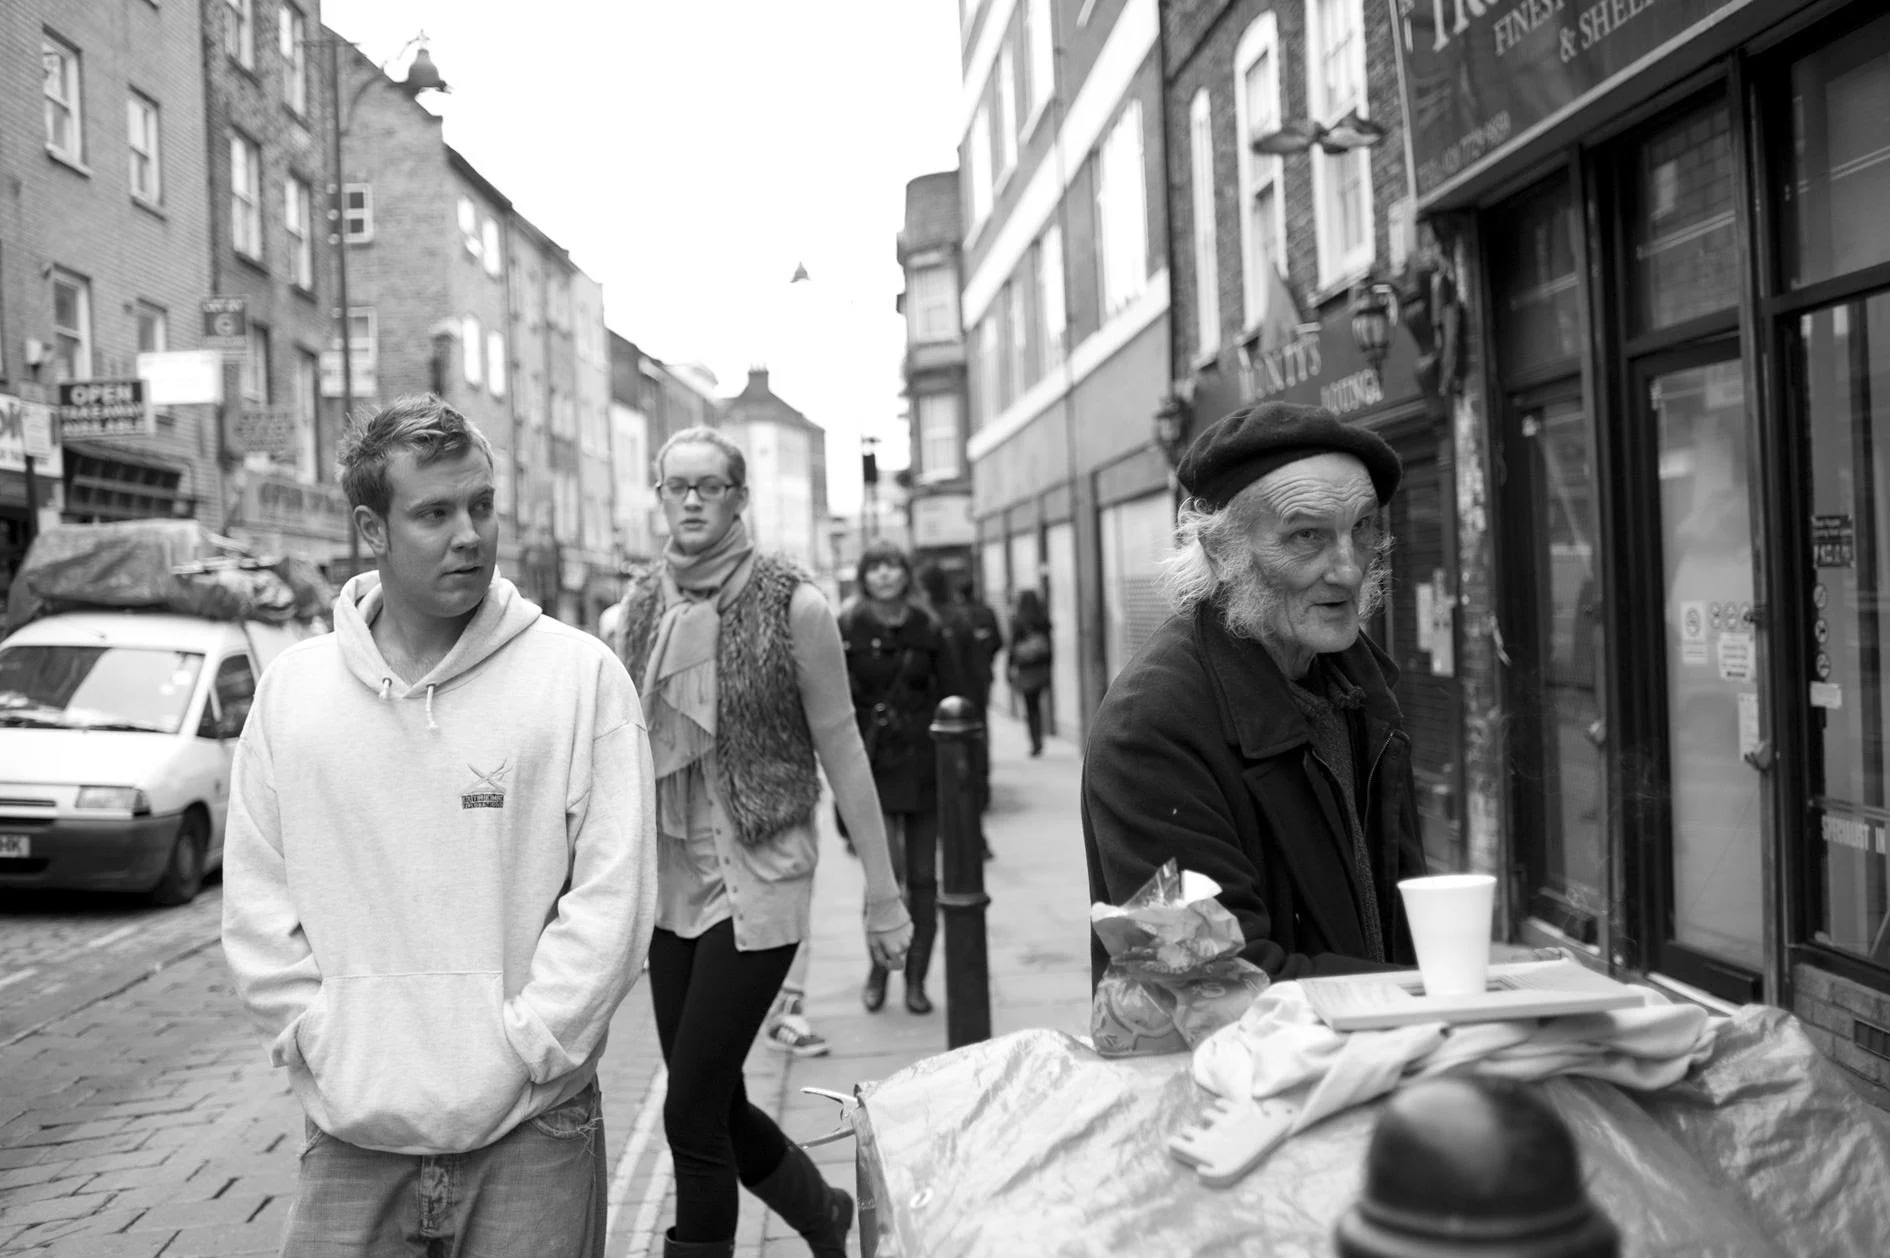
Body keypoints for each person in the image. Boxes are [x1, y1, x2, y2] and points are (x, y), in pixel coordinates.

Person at [222, 395, 658, 1256]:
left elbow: (615, 894)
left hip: (534, 1132)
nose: (470, 534)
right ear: (371, 529)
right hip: (352, 1136)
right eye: (434, 513)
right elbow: (258, 896)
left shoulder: (579, 678)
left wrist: (532, 1044)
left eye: (481, 506)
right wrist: (322, 1042)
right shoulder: (294, 692)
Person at [609, 426, 912, 1258]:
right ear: (660, 497)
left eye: (711, 485)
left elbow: (844, 749)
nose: (693, 500)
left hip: (762, 879)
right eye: (678, 486)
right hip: (673, 889)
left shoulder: (794, 606)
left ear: (741, 497)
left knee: (688, 1114)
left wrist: (883, 897)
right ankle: (824, 1216)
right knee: (714, 1099)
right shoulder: (630, 614)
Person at [1081, 401, 1430, 989]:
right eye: (1306, 536)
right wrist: (1432, 995)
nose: (1347, 569)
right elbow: (1208, 980)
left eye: (1362, 529)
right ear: (1221, 552)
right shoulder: (1149, 727)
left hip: (1368, 1055)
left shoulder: (1358, 685)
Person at [841, 541, 961, 1016]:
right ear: (864, 575)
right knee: (883, 879)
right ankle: (878, 971)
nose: (885, 575)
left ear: (904, 574)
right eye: (876, 568)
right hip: (872, 768)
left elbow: (956, 696)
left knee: (924, 881)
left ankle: (915, 980)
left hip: (924, 767)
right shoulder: (849, 625)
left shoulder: (928, 626)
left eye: (893, 566)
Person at [1007, 587, 1054, 756]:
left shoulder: (1018, 621)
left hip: (1026, 671)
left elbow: (1012, 649)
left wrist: (1009, 669)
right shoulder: (1043, 621)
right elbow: (1049, 650)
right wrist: (1049, 670)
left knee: (1030, 707)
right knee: (1037, 707)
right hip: (1040, 669)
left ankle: (1035, 741)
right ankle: (1039, 738)